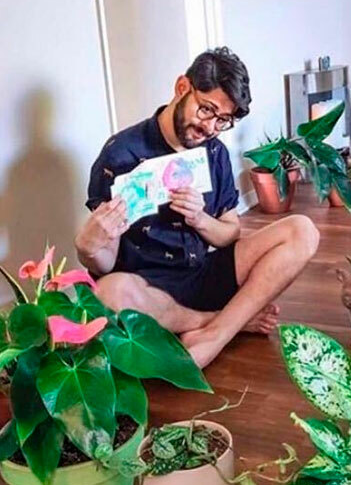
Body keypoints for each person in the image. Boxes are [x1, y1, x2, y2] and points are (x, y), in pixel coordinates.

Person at [75, 47, 319, 368]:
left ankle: (217, 334)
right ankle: (218, 321)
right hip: (149, 291)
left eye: (223, 120)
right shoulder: (121, 154)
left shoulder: (214, 151)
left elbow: (230, 234)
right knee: (109, 293)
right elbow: (105, 265)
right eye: (206, 110)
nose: (210, 128)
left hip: (205, 271)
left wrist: (200, 219)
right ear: (182, 88)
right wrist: (89, 249)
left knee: (302, 230)